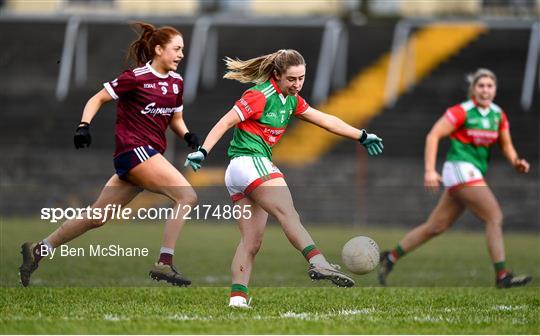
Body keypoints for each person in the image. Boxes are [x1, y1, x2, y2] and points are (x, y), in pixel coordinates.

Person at [184, 49, 384, 308]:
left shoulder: (292, 100)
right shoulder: (259, 95)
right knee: (288, 213)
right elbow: (225, 122)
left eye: (301, 78)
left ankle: (237, 299)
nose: (297, 84)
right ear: (276, 75)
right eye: (292, 79)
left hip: (242, 171)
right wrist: (203, 151)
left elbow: (324, 119)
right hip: (250, 162)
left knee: (251, 242)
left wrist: (361, 135)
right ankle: (318, 262)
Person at [19, 22, 199, 287]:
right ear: (159, 49)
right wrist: (83, 126)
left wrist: (186, 135)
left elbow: (176, 118)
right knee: (187, 195)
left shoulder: (176, 82)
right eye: (177, 49)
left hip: (144, 157)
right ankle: (165, 262)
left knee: (96, 217)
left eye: (183, 49)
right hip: (134, 151)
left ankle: (38, 250)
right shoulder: (135, 77)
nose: (182, 54)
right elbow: (97, 99)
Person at [378, 68, 532, 289]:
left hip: (472, 173)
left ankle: (390, 257)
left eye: (490, 86)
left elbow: (507, 146)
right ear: (473, 89)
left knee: (435, 226)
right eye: (481, 86)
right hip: (459, 168)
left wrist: (517, 161)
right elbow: (433, 135)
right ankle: (502, 275)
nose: (485, 90)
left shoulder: (498, 115)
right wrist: (430, 170)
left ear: (495, 90)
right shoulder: (462, 111)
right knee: (494, 216)